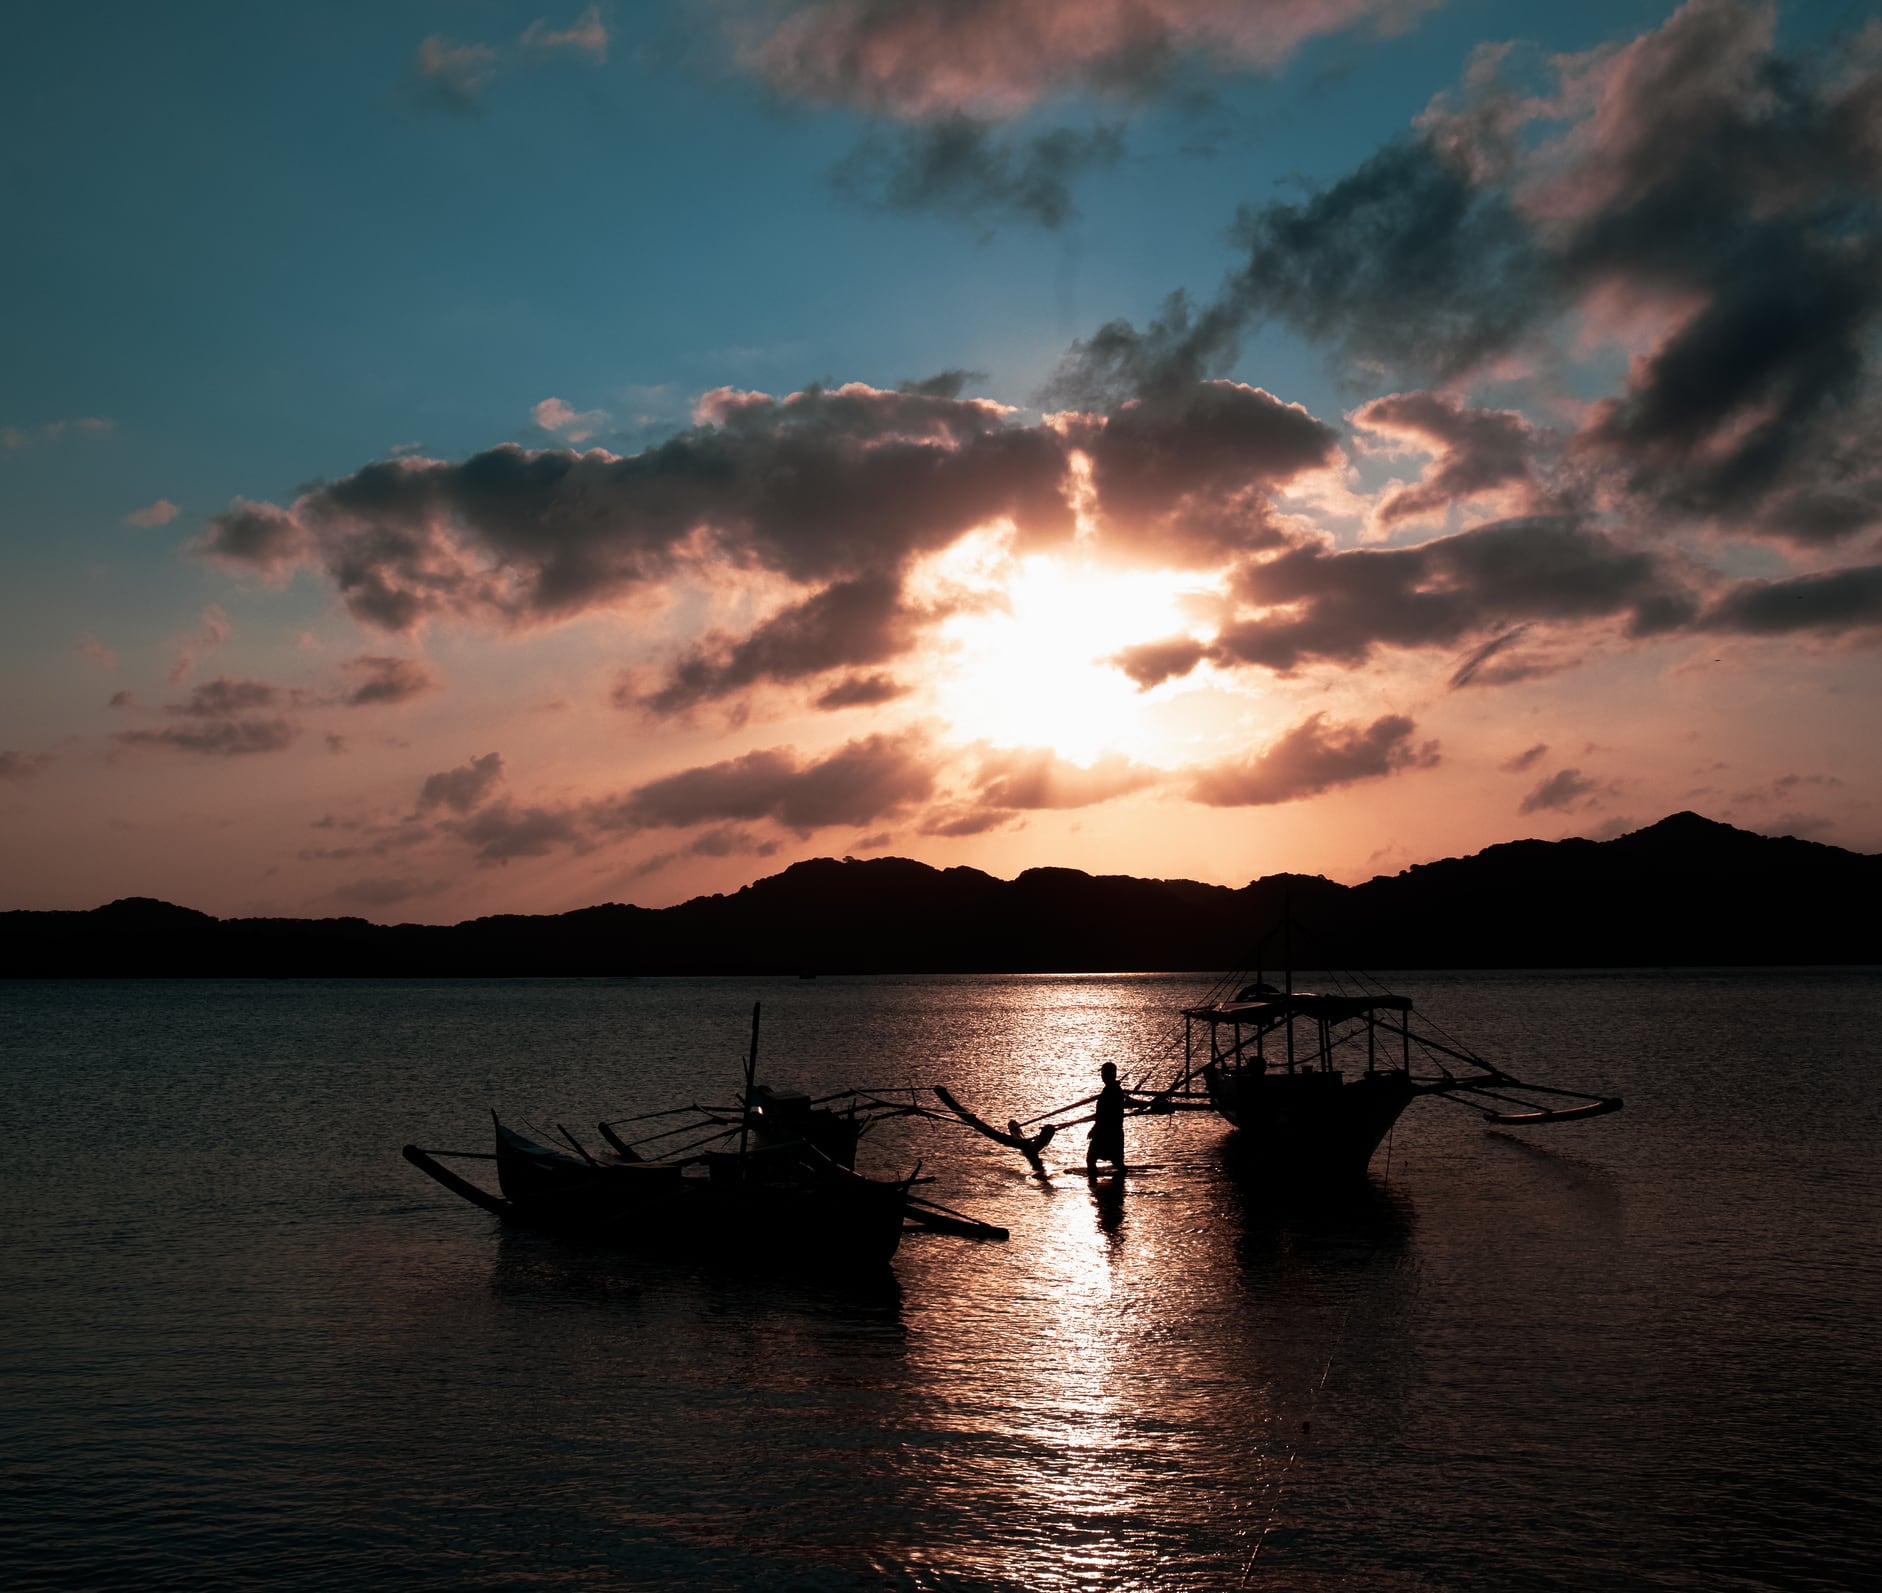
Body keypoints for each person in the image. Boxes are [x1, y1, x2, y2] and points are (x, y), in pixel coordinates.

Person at [1086, 1062, 1126, 1178]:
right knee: (1116, 1162)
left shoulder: (1113, 1091)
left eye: (1104, 1073)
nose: (1102, 1076)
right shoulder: (1111, 1090)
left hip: (1107, 1133)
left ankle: (1093, 1183)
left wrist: (1095, 1129)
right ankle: (1117, 1185)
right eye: (1102, 1073)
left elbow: (1105, 1115)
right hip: (1112, 1133)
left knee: (1091, 1158)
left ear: (1111, 1075)